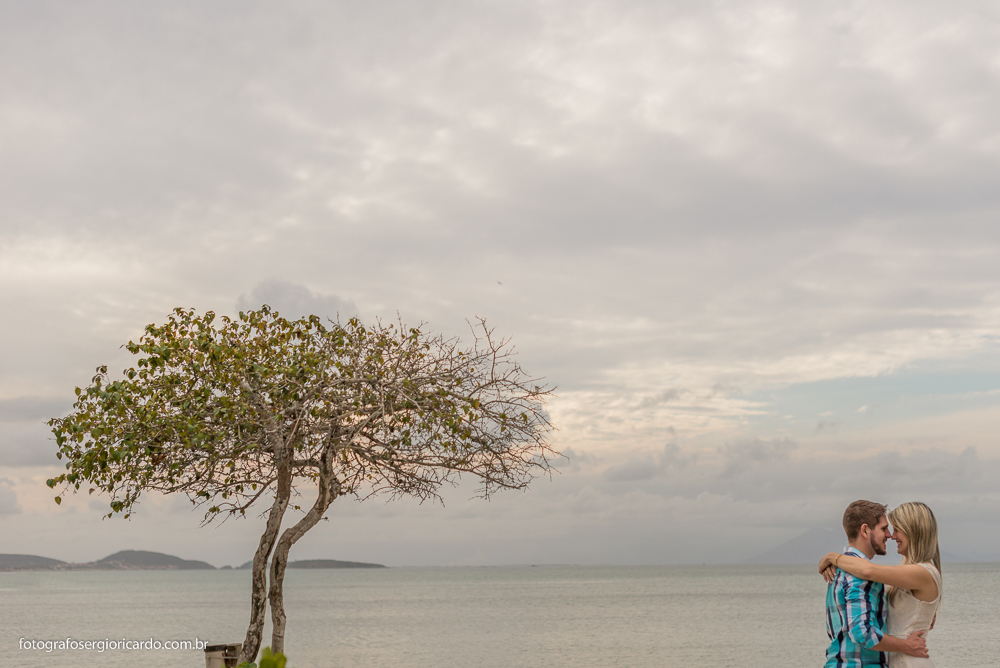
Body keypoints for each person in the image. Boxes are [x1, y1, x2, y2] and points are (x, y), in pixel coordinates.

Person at [820, 502, 942, 667]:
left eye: (896, 528)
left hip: (909, 660)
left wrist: (832, 557)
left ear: (912, 530)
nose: (891, 535)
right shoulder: (865, 573)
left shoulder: (924, 572)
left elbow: (868, 570)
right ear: (865, 530)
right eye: (886, 529)